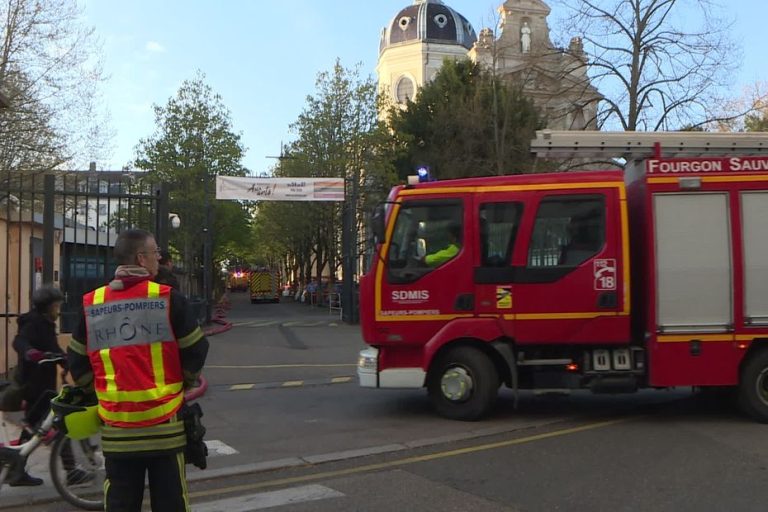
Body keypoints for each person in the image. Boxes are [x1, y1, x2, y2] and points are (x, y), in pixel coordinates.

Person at [67, 229, 209, 512]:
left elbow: (76, 359)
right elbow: (196, 349)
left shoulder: (93, 303)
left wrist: (95, 393)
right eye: (155, 252)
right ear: (141, 259)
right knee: (171, 503)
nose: (159, 258)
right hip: (164, 426)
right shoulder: (169, 299)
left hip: (117, 431)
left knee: (120, 503)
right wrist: (185, 382)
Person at [7, 286, 68, 486]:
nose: (58, 309)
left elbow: (54, 349)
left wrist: (66, 362)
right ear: (48, 306)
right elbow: (19, 341)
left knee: (34, 428)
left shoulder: (46, 323)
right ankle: (72, 468)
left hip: (43, 384)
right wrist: (30, 352)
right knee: (59, 424)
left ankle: (16, 471)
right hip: (34, 384)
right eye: (56, 305)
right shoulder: (33, 322)